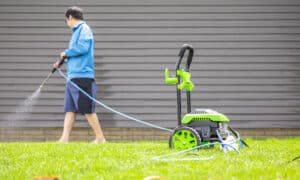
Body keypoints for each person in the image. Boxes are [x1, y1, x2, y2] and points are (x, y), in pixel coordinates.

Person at [53, 6, 106, 144]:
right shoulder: (76, 32)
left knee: (87, 109)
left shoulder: (84, 29)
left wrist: (66, 53)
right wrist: (62, 61)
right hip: (73, 77)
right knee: (70, 109)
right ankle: (64, 139)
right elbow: (75, 52)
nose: (67, 23)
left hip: (82, 77)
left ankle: (100, 138)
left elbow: (82, 48)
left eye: (67, 20)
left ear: (70, 17)